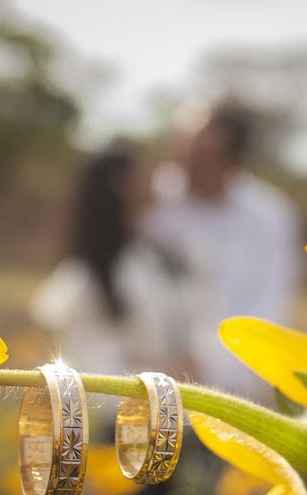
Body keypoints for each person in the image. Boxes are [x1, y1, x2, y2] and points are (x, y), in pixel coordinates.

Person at [147, 102, 302, 403]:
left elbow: (267, 307)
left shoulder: (269, 216)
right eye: (184, 149)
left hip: (231, 389)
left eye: (203, 155)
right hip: (148, 380)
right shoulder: (153, 198)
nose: (188, 163)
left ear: (234, 161)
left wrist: (205, 361)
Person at [29, 146, 191, 376]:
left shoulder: (153, 255)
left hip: (164, 401)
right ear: (120, 184)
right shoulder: (84, 278)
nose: (152, 178)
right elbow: (93, 370)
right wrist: (165, 374)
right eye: (141, 171)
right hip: (125, 406)